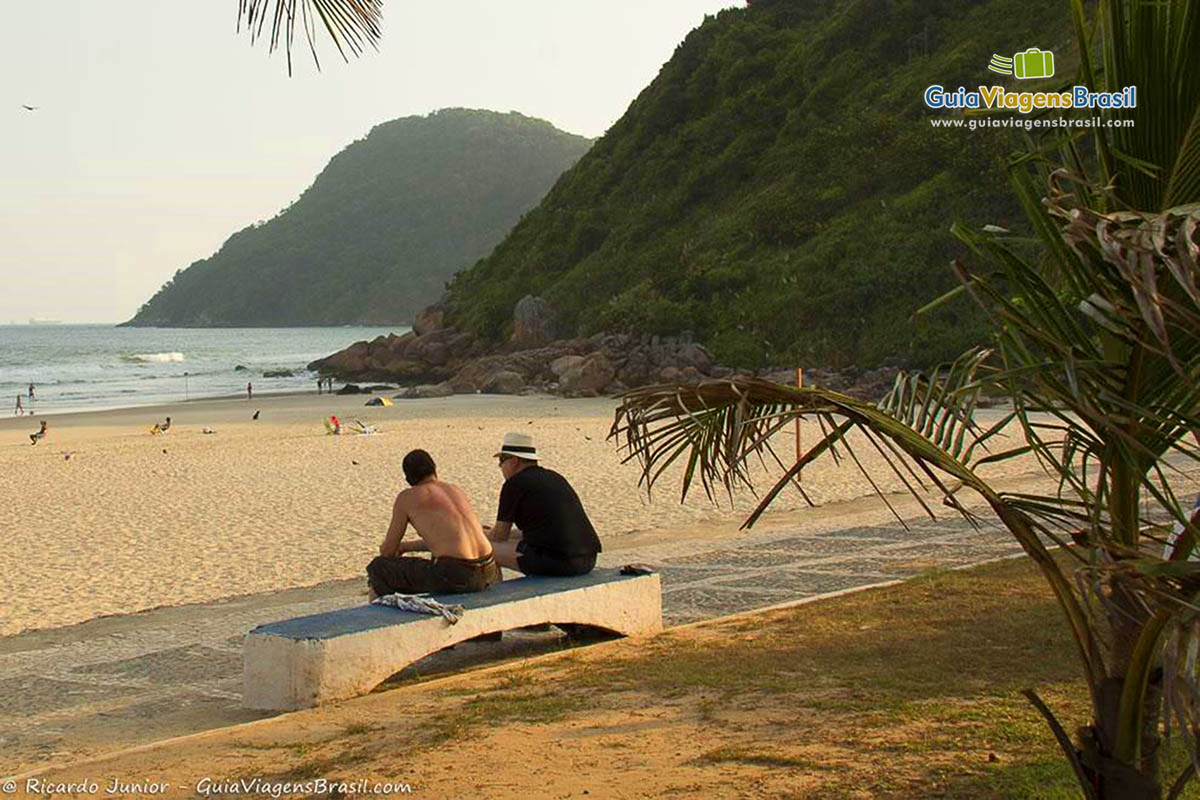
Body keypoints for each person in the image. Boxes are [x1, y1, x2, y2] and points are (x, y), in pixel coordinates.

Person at [366, 449, 501, 598]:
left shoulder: (407, 497)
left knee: (378, 567)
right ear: (434, 469)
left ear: (408, 479)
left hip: (456, 576)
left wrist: (389, 550)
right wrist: (406, 546)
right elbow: (452, 542)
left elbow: (388, 551)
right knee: (438, 559)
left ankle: (382, 613)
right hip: (489, 569)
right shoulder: (455, 490)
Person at [485, 433, 601, 576]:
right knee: (505, 539)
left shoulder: (514, 484)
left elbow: (499, 536)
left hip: (559, 563)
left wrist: (479, 535)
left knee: (482, 548)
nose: (500, 466)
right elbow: (540, 530)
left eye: (502, 461)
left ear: (514, 461)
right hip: (588, 560)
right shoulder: (553, 477)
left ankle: (489, 590)